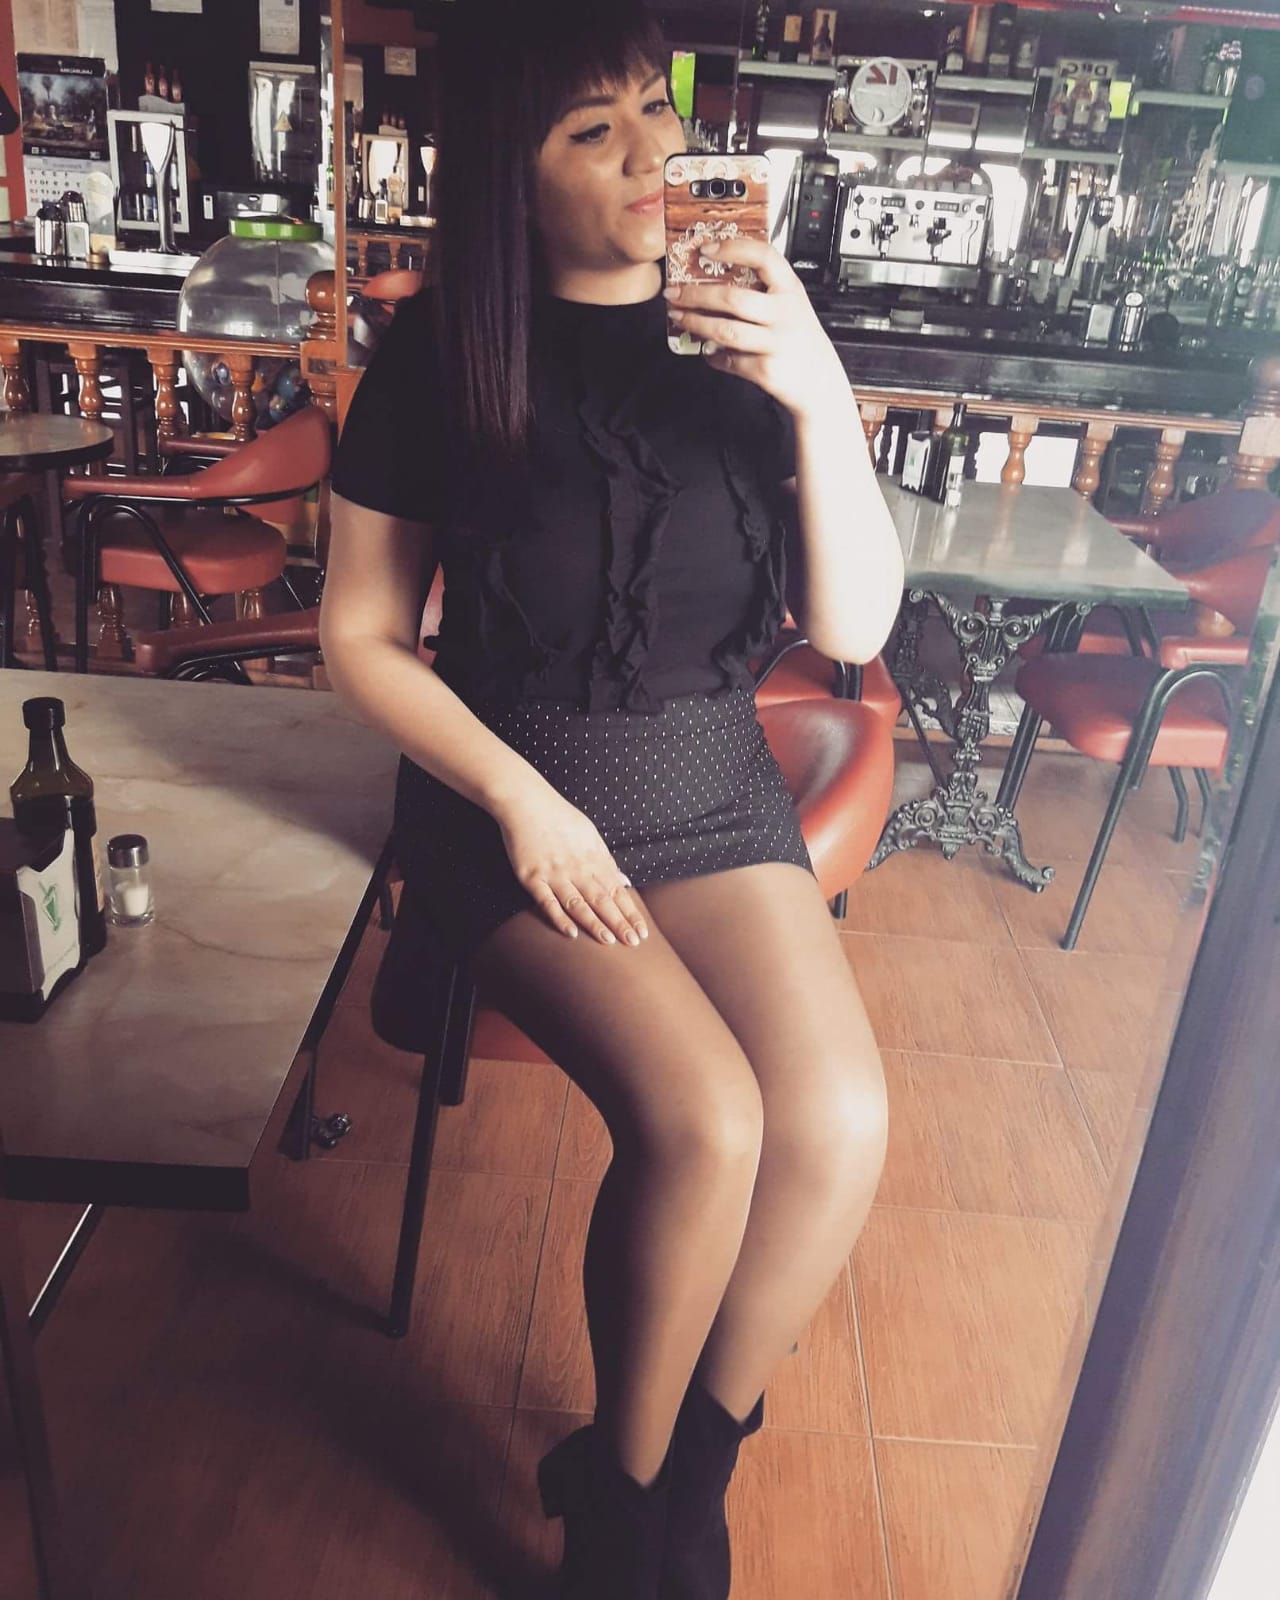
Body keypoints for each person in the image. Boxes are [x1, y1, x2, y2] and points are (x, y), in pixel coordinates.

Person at [321, 2, 905, 1595]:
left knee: (838, 1119)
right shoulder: (442, 358)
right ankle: (625, 1517)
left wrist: (818, 389)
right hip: (513, 796)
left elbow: (853, 629)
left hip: (708, 783)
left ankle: (684, 1466)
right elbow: (358, 642)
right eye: (594, 129)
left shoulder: (749, 339)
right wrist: (520, 802)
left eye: (659, 105)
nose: (654, 152)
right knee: (708, 1121)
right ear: (508, 177)